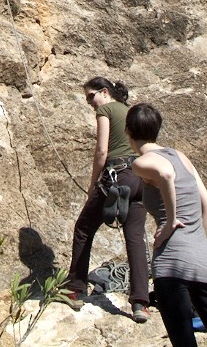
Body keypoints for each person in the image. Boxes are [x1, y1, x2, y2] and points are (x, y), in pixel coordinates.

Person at [125, 102, 207, 347]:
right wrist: (197, 237)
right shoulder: (181, 156)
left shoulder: (141, 163)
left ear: (128, 132)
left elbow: (166, 174)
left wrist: (169, 224)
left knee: (184, 342)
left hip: (171, 262)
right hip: (202, 259)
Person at [65, 78, 150, 323]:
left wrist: (93, 185)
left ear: (105, 92)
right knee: (135, 237)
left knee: (83, 228)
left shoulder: (106, 109)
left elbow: (102, 151)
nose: (90, 103)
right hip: (139, 177)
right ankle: (140, 303)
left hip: (116, 175)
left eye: (91, 96)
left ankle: (75, 289)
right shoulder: (131, 111)